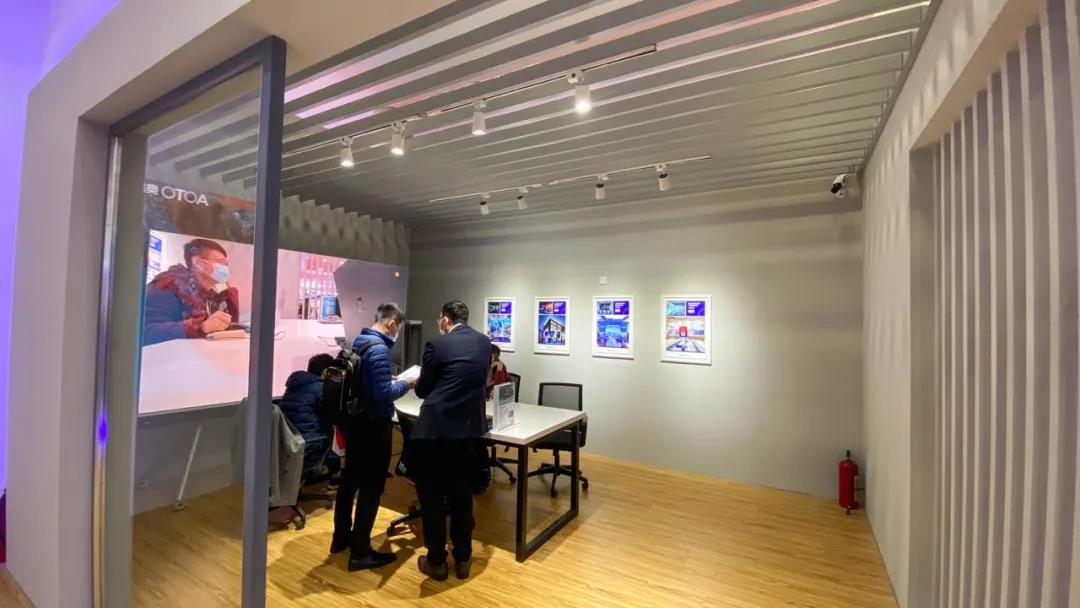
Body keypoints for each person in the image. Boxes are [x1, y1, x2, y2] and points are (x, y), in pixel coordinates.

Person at [331, 303, 416, 571]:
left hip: (354, 425)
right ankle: (360, 551)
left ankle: (340, 538)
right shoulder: (379, 349)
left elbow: (363, 384)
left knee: (349, 482)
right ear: (392, 324)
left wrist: (387, 379)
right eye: (398, 328)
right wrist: (406, 383)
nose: (397, 333)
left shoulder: (356, 342)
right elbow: (382, 394)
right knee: (371, 487)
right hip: (373, 428)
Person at [411, 300, 491, 581]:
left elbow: (423, 390)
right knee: (461, 495)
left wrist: (417, 381)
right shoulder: (484, 343)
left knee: (432, 497)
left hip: (436, 431)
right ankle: (463, 557)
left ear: (445, 320)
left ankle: (436, 562)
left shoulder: (437, 345)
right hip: (468, 431)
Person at [143, 238, 239, 346]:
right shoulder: (166, 287)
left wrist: (229, 294)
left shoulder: (208, 293)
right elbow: (146, 332)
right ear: (198, 263)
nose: (226, 269)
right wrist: (201, 327)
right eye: (221, 263)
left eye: (226, 265)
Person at [278, 353, 339, 473]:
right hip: (310, 443)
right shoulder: (320, 388)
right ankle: (334, 478)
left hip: (288, 441)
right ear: (326, 372)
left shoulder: (295, 385)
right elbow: (333, 414)